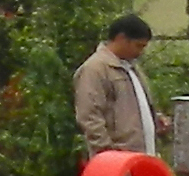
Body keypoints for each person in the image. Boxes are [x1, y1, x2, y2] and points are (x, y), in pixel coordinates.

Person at [71, 13, 167, 160]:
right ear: (121, 38)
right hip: (118, 162)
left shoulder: (132, 68)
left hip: (144, 156)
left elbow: (134, 107)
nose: (140, 52)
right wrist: (107, 154)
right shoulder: (95, 69)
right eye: (138, 46)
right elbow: (90, 116)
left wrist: (156, 119)